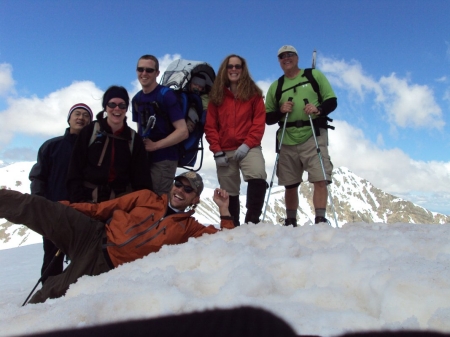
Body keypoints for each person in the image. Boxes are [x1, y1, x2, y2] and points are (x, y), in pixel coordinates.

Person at [0, 171, 234, 304]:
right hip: (91, 235)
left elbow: (228, 244)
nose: (180, 191)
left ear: (195, 199)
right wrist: (68, 208)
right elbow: (102, 209)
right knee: (36, 206)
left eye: (188, 189)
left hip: (105, 266)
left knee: (50, 295)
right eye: (178, 184)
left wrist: (224, 210)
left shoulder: (190, 229)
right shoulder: (145, 197)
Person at [265, 45, 337, 227]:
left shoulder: (314, 76)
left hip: (313, 133)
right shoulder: (276, 86)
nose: (286, 58)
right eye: (282, 56)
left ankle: (320, 219)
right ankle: (291, 220)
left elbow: (331, 100)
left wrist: (318, 110)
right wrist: (281, 111)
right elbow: (268, 117)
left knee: (320, 177)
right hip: (287, 136)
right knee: (290, 183)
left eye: (290, 55)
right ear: (279, 61)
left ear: (297, 57)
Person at [29, 103, 93, 283]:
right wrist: (41, 204)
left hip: (84, 212)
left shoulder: (94, 150)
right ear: (69, 118)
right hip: (53, 211)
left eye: (85, 115)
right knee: (52, 257)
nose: (81, 118)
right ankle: (49, 295)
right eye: (77, 114)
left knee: (84, 257)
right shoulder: (51, 146)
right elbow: (38, 177)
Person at [205, 54, 267, 227]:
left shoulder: (254, 94)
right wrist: (217, 151)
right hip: (224, 149)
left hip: (249, 146)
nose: (233, 70)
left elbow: (258, 122)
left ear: (243, 69)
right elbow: (210, 126)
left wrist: (247, 144)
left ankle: (251, 222)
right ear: (225, 70)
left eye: (237, 66)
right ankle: (233, 226)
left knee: (257, 175)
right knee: (229, 191)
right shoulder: (216, 96)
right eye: (230, 66)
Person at [67, 85, 152, 203]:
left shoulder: (134, 139)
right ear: (105, 107)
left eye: (122, 105)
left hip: (119, 202)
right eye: (112, 104)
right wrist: (78, 200)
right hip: (86, 199)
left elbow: (141, 178)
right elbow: (75, 168)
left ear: (126, 108)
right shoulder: (90, 131)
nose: (117, 109)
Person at [131, 54, 189, 196]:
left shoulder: (166, 95)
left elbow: (183, 131)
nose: (144, 73)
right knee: (140, 198)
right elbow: (140, 130)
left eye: (149, 70)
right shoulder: (136, 99)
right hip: (144, 158)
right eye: (140, 69)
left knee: (156, 200)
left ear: (157, 73)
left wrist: (155, 145)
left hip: (165, 159)